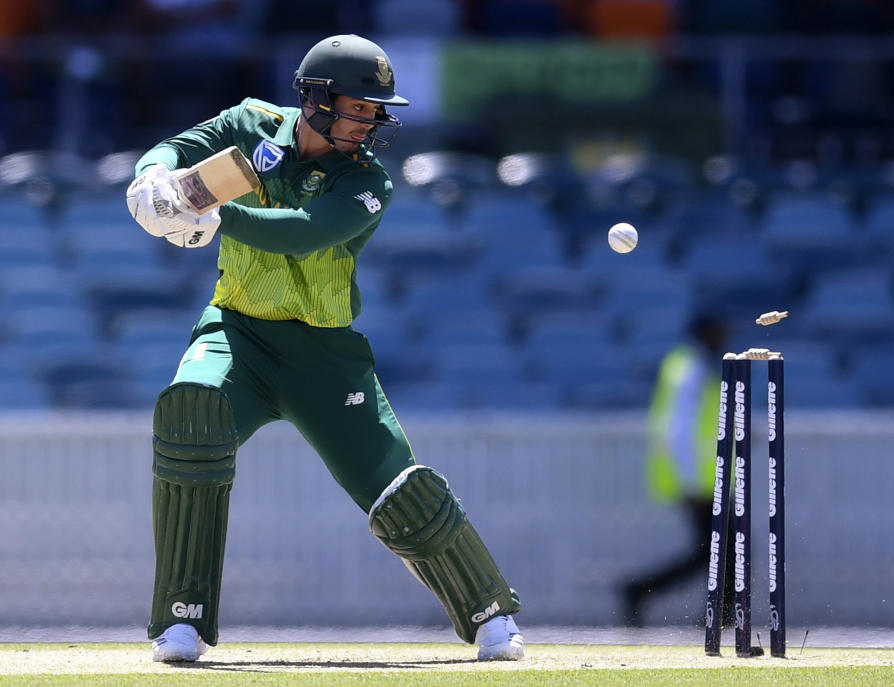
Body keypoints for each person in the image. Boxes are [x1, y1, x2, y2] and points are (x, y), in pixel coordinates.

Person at [125, 34, 524, 663]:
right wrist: (153, 179)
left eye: (375, 111)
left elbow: (307, 235)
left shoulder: (368, 182)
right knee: (192, 414)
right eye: (357, 106)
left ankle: (489, 611)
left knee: (397, 489)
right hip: (238, 333)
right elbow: (175, 150)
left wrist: (211, 212)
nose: (369, 122)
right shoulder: (250, 123)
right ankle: (182, 618)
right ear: (314, 98)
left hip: (322, 354)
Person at [621, 313, 734, 627]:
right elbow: (677, 430)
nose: (725, 337)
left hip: (707, 479)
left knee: (718, 551)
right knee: (721, 551)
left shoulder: (691, 366)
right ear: (706, 332)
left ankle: (717, 616)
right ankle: (714, 616)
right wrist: (688, 483)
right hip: (698, 482)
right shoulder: (690, 370)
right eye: (720, 331)